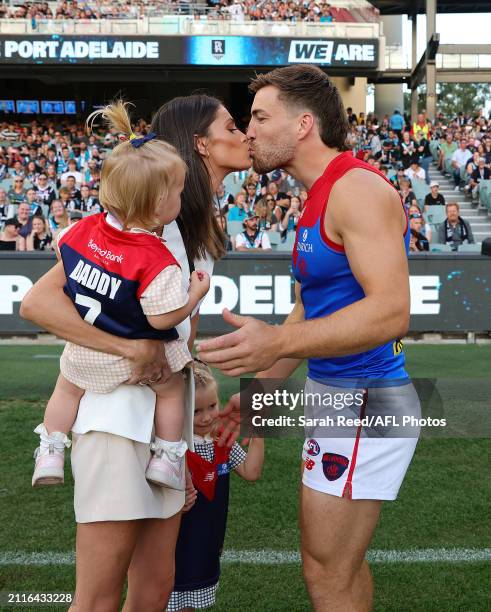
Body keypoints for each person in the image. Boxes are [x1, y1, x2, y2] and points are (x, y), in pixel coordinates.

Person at [197, 65, 419, 612]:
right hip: (342, 395)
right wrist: (258, 399)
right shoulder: (320, 194)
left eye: (260, 117)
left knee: (327, 572)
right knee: (335, 566)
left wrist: (273, 343)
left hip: (367, 399)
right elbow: (308, 312)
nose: (248, 130)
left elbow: (391, 312)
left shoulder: (357, 189)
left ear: (302, 125)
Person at [20, 93, 251, 611]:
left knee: (154, 586)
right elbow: (37, 302)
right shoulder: (149, 224)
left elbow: (177, 340)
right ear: (201, 143)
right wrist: (130, 347)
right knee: (98, 596)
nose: (246, 135)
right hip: (116, 420)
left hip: (163, 432)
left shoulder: (188, 223)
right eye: (234, 126)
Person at [32, 100, 212, 497]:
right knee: (172, 389)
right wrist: (195, 294)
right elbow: (164, 319)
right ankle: (166, 457)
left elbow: (61, 252)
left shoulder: (81, 230)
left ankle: (49, 448)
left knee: (65, 389)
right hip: (138, 358)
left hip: (84, 351)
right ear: (158, 204)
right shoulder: (156, 257)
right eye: (179, 191)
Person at [167, 359, 264, 612]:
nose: (207, 416)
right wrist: (176, 502)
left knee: (188, 603)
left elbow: (251, 471)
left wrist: (257, 430)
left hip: (206, 541)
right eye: (196, 411)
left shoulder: (222, 440)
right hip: (173, 542)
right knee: (162, 598)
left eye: (212, 406)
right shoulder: (173, 446)